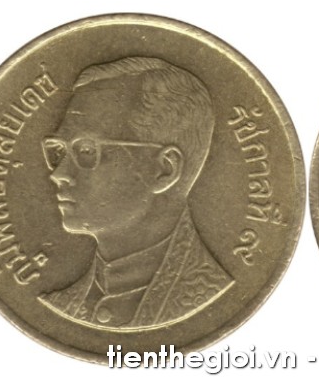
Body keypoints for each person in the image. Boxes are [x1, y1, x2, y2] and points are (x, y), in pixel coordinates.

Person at [38, 56, 233, 328]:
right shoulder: (59, 305)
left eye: (86, 150)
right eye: (59, 150)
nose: (58, 174)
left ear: (165, 170)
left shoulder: (210, 296)